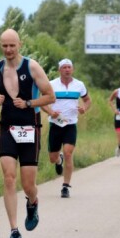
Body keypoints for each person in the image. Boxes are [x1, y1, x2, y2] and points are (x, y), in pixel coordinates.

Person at [0, 28, 55, 238]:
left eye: (12, 45)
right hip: (7, 128)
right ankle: (14, 231)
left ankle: (32, 202)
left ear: (19, 44)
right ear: (0, 45)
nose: (8, 49)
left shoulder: (32, 66)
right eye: (4, 45)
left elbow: (50, 95)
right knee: (9, 178)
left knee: (28, 184)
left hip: (30, 128)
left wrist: (29, 104)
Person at [41, 59, 91, 198]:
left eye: (69, 67)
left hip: (70, 124)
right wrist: (51, 112)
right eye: (64, 67)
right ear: (59, 70)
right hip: (56, 124)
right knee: (52, 158)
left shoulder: (79, 85)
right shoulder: (52, 85)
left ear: (72, 69)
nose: (67, 69)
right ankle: (58, 160)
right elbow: (42, 102)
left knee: (69, 153)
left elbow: (87, 100)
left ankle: (65, 186)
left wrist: (84, 109)